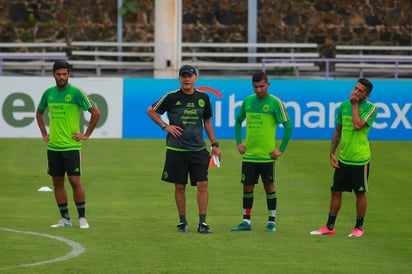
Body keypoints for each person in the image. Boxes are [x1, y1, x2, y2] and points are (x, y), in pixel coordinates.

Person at [146, 65, 221, 234]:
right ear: (179, 79)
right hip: (176, 149)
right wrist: (166, 126)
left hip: (198, 149)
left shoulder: (204, 98)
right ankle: (182, 222)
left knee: (203, 184)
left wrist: (215, 144)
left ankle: (203, 223)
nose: (187, 79)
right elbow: (151, 111)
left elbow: (207, 122)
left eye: (189, 76)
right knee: (180, 186)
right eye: (183, 76)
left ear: (196, 78)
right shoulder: (171, 97)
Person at [36, 60, 101, 229]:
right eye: (59, 74)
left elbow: (96, 112)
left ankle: (82, 218)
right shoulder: (48, 93)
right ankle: (65, 219)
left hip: (72, 147)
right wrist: (44, 133)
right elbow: (39, 112)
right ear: (53, 75)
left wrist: (86, 134)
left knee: (74, 181)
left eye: (65, 74)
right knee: (57, 181)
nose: (62, 77)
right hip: (53, 147)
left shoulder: (77, 93)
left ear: (69, 74)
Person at [310, 78, 377, 237]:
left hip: (360, 159)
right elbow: (338, 131)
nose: (355, 92)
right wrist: (332, 152)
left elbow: (357, 125)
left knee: (360, 193)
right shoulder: (343, 106)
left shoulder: (371, 109)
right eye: (355, 88)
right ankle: (329, 226)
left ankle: (358, 228)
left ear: (366, 95)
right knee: (335, 191)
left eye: (360, 91)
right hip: (344, 158)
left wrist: (354, 105)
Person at [231, 71, 293, 233]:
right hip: (250, 154)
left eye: (261, 86)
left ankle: (271, 221)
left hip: (266, 155)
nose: (258, 90)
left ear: (268, 85)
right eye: (255, 87)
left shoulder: (275, 103)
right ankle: (246, 221)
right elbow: (238, 121)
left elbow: (288, 126)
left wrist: (281, 149)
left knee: (269, 186)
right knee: (247, 187)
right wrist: (239, 142)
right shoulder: (248, 102)